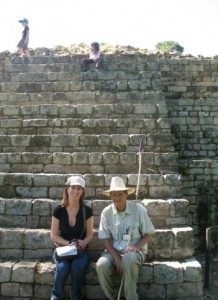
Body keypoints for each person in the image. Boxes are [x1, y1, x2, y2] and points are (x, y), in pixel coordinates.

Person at [96, 176, 155, 300]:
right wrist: (116, 257)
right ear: (110, 196)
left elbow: (149, 233)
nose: (116, 198)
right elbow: (105, 239)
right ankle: (110, 297)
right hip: (114, 251)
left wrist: (135, 247)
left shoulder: (138, 210)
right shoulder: (106, 212)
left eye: (120, 194)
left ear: (126, 194)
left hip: (135, 251)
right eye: (113, 195)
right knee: (101, 264)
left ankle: (131, 297)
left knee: (128, 259)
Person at [50, 175, 93, 300]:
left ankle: (75, 296)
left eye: (79, 188)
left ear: (83, 191)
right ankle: (56, 296)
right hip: (63, 249)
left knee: (77, 266)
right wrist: (69, 243)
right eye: (73, 187)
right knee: (63, 268)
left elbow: (90, 234)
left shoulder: (87, 211)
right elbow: (53, 235)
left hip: (81, 250)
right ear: (67, 189)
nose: (76, 191)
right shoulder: (58, 210)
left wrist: (83, 242)